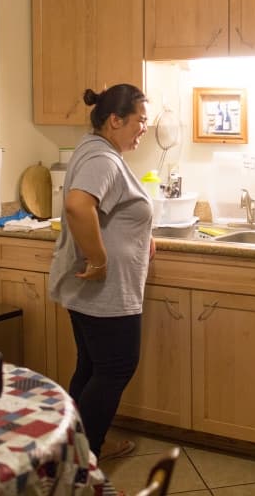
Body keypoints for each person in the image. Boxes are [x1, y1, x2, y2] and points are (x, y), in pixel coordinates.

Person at [48, 83, 155, 460]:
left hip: (94, 294)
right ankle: (82, 457)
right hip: (106, 293)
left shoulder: (94, 148)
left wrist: (144, 236)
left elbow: (107, 212)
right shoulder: (104, 159)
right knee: (115, 367)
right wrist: (99, 260)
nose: (144, 127)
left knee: (93, 367)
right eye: (139, 121)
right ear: (115, 120)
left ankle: (74, 446)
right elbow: (80, 206)